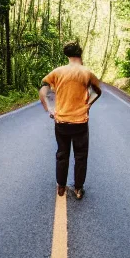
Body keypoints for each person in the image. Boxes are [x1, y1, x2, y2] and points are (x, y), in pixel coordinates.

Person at [39, 41, 102, 200]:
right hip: (80, 122)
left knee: (62, 153)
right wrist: (88, 104)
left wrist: (49, 108)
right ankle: (78, 189)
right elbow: (98, 91)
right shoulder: (87, 73)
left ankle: (61, 186)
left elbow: (43, 89)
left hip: (61, 122)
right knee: (80, 155)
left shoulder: (57, 72)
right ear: (80, 55)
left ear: (67, 55)